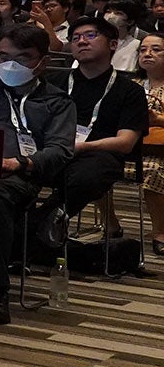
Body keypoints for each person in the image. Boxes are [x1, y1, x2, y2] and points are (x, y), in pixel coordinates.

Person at [0, 24, 79, 325]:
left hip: (20, 176)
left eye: (23, 58)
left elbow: (61, 150)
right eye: (3, 57)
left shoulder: (57, 102)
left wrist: (21, 163)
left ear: (43, 61)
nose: (11, 65)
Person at [49, 16, 144, 231]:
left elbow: (125, 143)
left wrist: (83, 146)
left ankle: (46, 220)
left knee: (85, 175)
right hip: (54, 152)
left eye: (90, 35)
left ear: (113, 44)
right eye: (75, 38)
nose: (81, 41)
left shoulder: (130, 91)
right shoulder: (54, 83)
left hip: (99, 155)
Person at [136, 34, 164, 252]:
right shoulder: (130, 85)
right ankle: (112, 225)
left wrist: (158, 119)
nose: (148, 54)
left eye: (156, 49)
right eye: (143, 50)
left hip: (159, 151)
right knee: (93, 165)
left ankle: (159, 231)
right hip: (131, 146)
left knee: (152, 169)